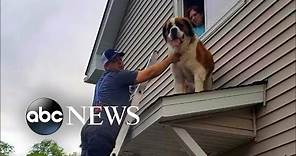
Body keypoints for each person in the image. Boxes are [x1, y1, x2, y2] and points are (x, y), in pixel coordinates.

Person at [80, 49, 181, 156]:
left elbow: (113, 94)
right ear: (106, 66)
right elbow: (150, 73)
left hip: (89, 129)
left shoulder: (101, 82)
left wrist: (131, 85)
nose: (120, 62)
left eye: (120, 59)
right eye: (115, 60)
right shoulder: (116, 76)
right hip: (102, 132)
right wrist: (170, 59)